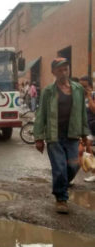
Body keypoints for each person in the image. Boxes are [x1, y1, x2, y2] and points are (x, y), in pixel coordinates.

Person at [33, 57, 89, 214]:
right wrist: (38, 138)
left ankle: (62, 185)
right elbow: (41, 114)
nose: (63, 72)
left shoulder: (78, 89)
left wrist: (85, 135)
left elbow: (82, 113)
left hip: (72, 134)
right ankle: (61, 199)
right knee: (59, 168)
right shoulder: (48, 91)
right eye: (59, 69)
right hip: (54, 135)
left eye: (66, 69)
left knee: (73, 165)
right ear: (53, 72)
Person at [79, 75, 95, 182]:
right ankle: (94, 172)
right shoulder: (80, 97)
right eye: (80, 86)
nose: (82, 89)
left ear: (90, 86)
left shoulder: (93, 95)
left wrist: (89, 96)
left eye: (84, 86)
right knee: (87, 147)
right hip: (89, 127)